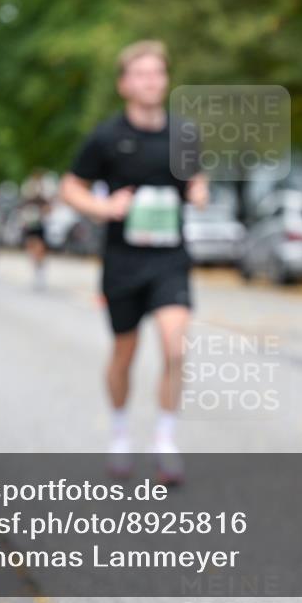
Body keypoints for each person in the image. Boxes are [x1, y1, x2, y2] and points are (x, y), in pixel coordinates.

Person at [61, 40, 207, 484]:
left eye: (157, 73)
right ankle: (121, 433)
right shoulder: (106, 136)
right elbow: (71, 187)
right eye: (140, 74)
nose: (150, 81)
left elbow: (196, 179)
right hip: (123, 262)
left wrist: (199, 192)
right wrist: (104, 209)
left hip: (169, 259)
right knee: (124, 354)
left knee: (173, 347)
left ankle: (164, 441)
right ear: (125, 84)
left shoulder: (183, 134)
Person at [19, 175, 51, 291]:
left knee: (40, 249)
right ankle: (36, 268)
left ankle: (40, 269)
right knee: (31, 248)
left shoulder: (42, 199)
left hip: (39, 227)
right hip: (29, 227)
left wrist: (42, 213)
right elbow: (21, 212)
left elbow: (48, 210)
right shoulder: (27, 200)